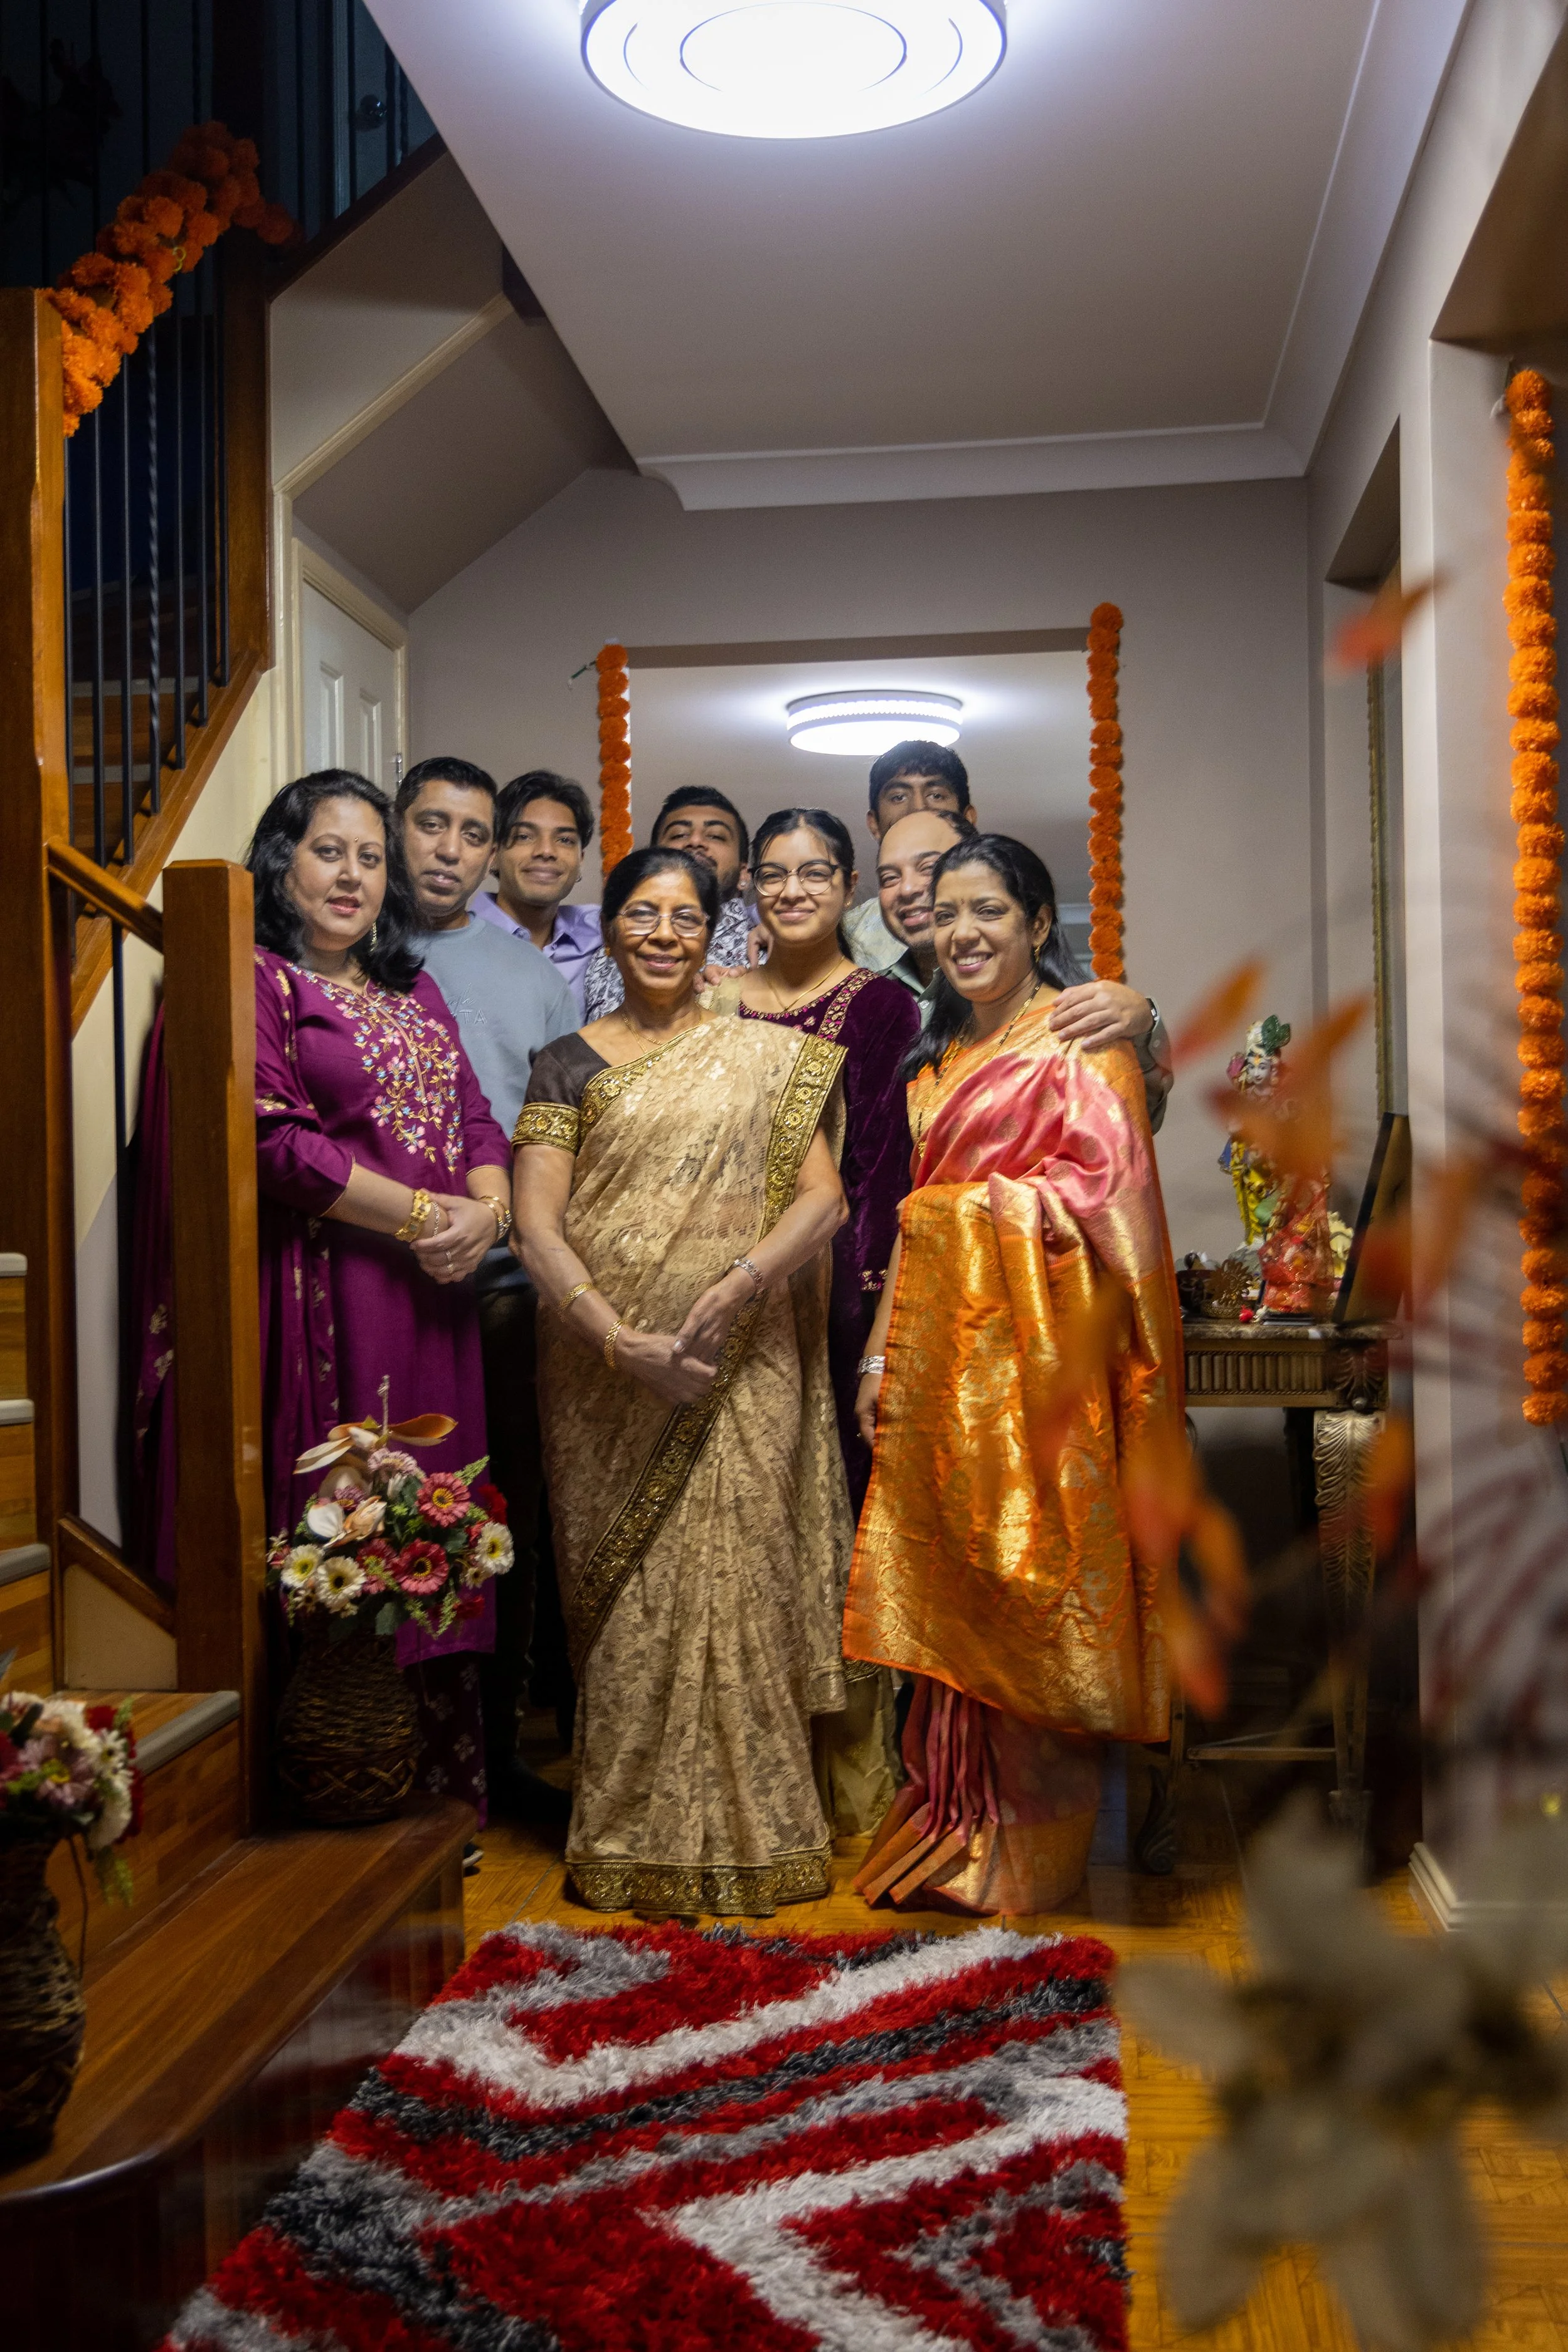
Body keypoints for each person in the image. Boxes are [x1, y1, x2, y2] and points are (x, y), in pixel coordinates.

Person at [844, 834, 1182, 1915]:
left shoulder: (1084, 1041)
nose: (965, 931)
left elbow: (1110, 1215)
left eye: (990, 909)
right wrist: (882, 1345)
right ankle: (952, 1820)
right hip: (946, 1363)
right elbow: (910, 1219)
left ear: (1040, 924)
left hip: (1044, 1374)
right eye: (948, 912)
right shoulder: (936, 1055)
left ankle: (1030, 1855)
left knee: (1030, 1578)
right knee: (955, 1581)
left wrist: (959, 1216)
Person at [512, 845, 853, 1916]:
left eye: (686, 917)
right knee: (628, 1603)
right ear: (611, 926)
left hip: (745, 1360)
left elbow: (825, 1202)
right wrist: (619, 1341)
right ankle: (624, 1840)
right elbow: (535, 1227)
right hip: (602, 1373)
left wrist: (746, 1280)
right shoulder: (566, 1062)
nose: (665, 933)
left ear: (718, 934)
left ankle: (767, 1836)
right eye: (644, 914)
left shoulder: (766, 1058)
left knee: (745, 1577)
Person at [248, 770, 513, 1823]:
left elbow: (479, 1118)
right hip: (343, 1292)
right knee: (360, 1510)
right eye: (328, 850)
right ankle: (345, 1777)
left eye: (368, 856)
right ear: (284, 861)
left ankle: (437, 1789)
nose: (352, 874)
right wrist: (419, 1218)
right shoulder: (262, 981)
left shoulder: (412, 986)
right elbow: (280, 1146)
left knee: (443, 1509)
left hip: (441, 1295)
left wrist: (485, 1216)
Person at [396, 755, 578, 1818]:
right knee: (388, 1506)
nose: (449, 850)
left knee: (505, 1514)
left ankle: (493, 1751)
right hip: (382, 1273)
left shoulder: (531, 977)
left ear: (493, 850)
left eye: (472, 833)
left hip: (506, 1283)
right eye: (432, 827)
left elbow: (555, 1131)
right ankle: (375, 1736)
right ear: (400, 828)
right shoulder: (356, 952)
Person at [845, 739, 1173, 1114]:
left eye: (932, 868)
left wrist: (1145, 1023)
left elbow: (1121, 1127)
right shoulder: (849, 941)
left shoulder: (1049, 1006)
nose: (911, 889)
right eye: (889, 876)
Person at [581, 787, 754, 1017]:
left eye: (715, 836)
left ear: (744, 872)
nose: (695, 841)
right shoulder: (604, 951)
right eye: (678, 835)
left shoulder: (767, 952)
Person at [471, 770, 603, 1016]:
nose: (546, 851)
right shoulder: (457, 940)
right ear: (493, 856)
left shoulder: (602, 931)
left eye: (564, 840)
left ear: (581, 861)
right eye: (524, 836)